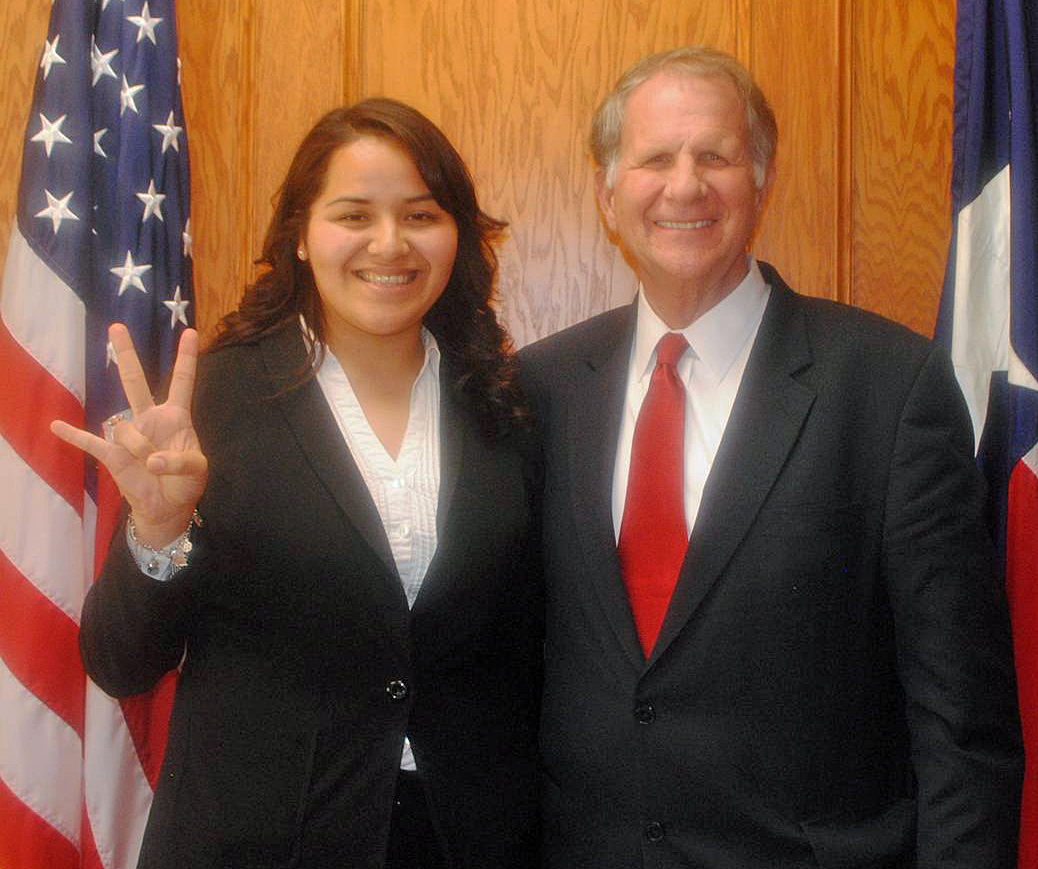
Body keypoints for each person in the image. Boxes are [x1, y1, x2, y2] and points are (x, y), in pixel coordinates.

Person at [519, 46, 1023, 868]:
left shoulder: (888, 386)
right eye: (654, 159)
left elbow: (962, 717)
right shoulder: (538, 391)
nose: (685, 186)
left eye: (714, 156)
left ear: (761, 180)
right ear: (609, 194)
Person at [52, 98, 542, 869]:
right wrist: (160, 530)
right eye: (354, 214)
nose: (390, 243)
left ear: (457, 236)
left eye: (420, 214)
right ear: (302, 238)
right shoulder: (215, 401)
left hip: (461, 838)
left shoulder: (506, 404)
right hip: (259, 839)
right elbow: (120, 660)